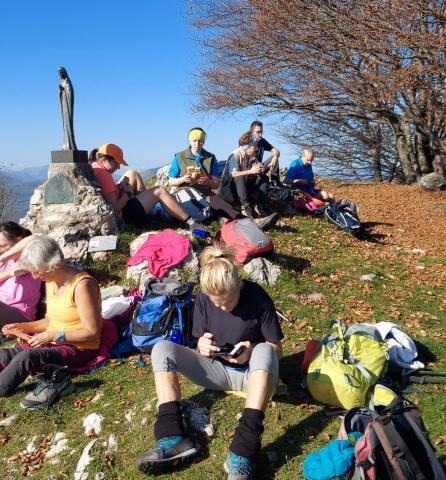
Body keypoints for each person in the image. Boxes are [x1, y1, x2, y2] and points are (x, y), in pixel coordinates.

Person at [136, 245, 283, 479]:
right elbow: (199, 341)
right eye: (216, 302)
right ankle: (173, 437)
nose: (221, 306)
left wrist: (252, 350)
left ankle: (243, 451)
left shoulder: (257, 296)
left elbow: (277, 349)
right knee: (161, 349)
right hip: (219, 370)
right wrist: (201, 346)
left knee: (265, 350)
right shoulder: (204, 298)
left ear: (238, 284)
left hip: (255, 377)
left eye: (228, 301)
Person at [0, 236, 102, 403]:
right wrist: (21, 326)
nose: (33, 276)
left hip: (78, 347)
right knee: (4, 355)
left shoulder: (82, 285)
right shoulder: (51, 280)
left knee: (27, 358)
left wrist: (52, 336)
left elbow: (92, 333)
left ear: (51, 264)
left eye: (36, 271)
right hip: (52, 341)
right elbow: (50, 321)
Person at [169, 128, 278, 229]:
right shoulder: (179, 156)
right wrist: (183, 179)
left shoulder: (210, 157)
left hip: (205, 194)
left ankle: (253, 223)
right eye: (194, 141)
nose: (197, 144)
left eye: (200, 141)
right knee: (212, 212)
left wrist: (208, 181)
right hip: (185, 194)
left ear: (204, 141)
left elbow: (216, 184)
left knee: (226, 208)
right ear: (189, 141)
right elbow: (171, 181)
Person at [90, 143, 207, 230]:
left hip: (122, 207)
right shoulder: (104, 175)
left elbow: (108, 193)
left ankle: (150, 210)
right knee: (159, 191)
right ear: (104, 159)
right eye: (116, 163)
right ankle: (191, 223)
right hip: (123, 217)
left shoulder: (96, 166)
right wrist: (128, 193)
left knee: (132, 173)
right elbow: (114, 209)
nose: (119, 167)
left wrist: (119, 187)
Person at [220, 132, 278, 220]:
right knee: (240, 176)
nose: (257, 149)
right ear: (247, 147)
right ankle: (245, 206)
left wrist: (269, 162)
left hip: (243, 187)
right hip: (229, 189)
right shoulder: (235, 155)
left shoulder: (251, 156)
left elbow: (259, 168)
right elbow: (234, 174)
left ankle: (260, 205)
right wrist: (251, 171)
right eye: (255, 146)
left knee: (264, 178)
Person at [0, 222, 42, 334]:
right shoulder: (5, 264)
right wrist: (9, 273)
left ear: (18, 241)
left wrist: (5, 256)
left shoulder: (33, 257)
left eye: (3, 246)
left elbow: (37, 238)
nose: (0, 250)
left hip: (21, 314)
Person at [250, 120, 281, 187]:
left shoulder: (262, 141)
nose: (260, 135)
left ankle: (275, 183)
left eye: (261, 132)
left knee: (274, 157)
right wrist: (260, 166)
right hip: (250, 171)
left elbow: (277, 151)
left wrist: (275, 157)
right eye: (258, 132)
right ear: (251, 132)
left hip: (261, 167)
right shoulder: (247, 142)